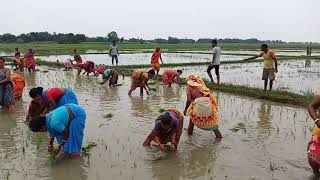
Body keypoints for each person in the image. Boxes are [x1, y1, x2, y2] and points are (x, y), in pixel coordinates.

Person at [307, 93, 320, 176]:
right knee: (313, 160)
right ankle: (316, 175)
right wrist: (317, 120)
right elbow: (311, 106)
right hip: (319, 134)